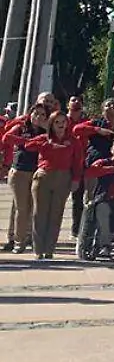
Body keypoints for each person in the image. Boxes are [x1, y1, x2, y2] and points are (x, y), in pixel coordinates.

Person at [22, 111, 82, 259]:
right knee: (39, 213)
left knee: (56, 214)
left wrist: (75, 179)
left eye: (63, 122)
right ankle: (38, 250)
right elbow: (28, 145)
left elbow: (78, 161)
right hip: (44, 176)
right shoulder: (45, 138)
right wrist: (48, 144)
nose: (61, 125)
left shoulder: (73, 141)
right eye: (57, 122)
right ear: (51, 124)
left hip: (64, 177)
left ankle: (49, 249)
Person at [3, 103, 50, 252]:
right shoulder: (22, 127)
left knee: (32, 207)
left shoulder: (46, 131)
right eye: (36, 113)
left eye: (43, 114)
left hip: (36, 171)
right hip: (20, 171)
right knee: (21, 208)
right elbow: (7, 137)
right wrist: (26, 142)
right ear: (30, 114)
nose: (38, 117)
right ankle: (19, 241)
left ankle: (27, 236)